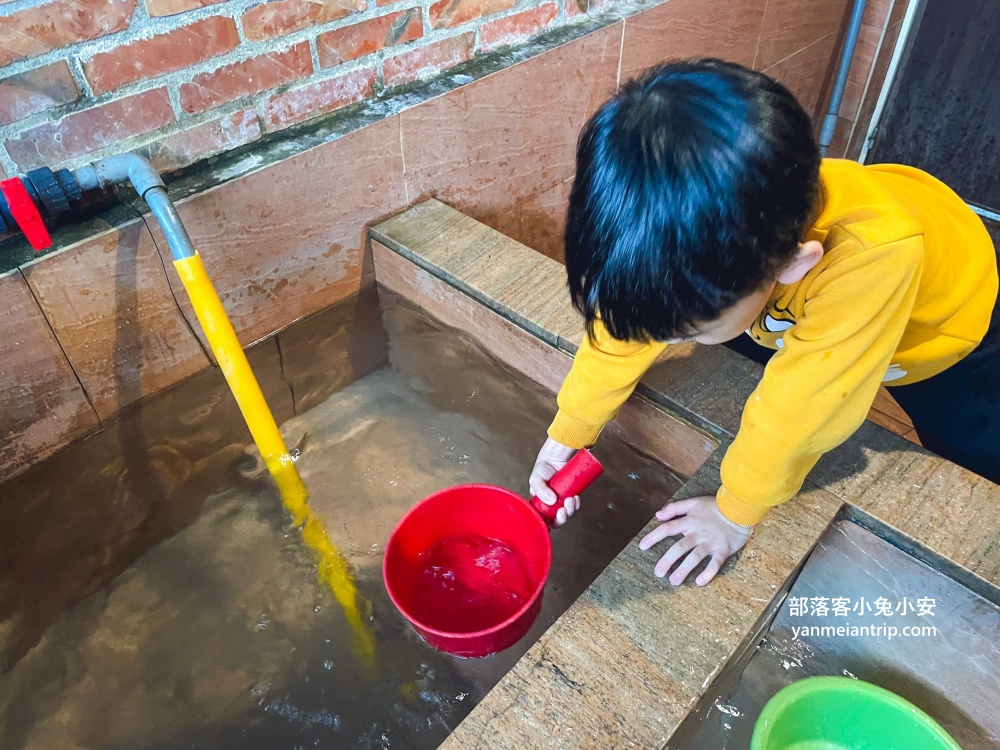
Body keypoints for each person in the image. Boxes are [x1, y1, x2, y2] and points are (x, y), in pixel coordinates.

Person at [528, 58, 998, 587]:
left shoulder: (872, 257)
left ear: (792, 265)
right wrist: (571, 429)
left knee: (981, 452)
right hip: (775, 297)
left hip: (947, 321)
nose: (659, 342)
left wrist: (734, 512)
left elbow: (804, 406)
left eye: (680, 331)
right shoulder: (714, 242)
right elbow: (628, 323)